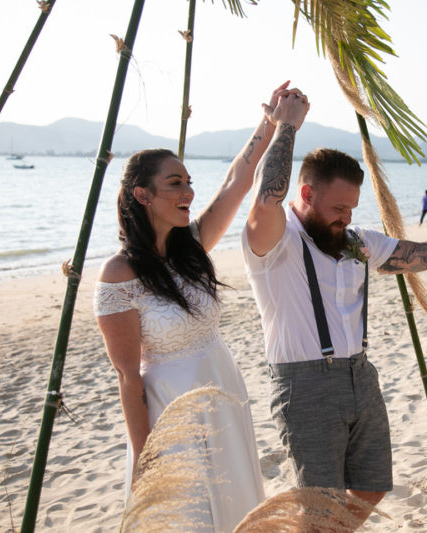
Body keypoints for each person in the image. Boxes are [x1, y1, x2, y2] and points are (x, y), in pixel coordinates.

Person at [241, 106, 427, 528]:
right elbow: (266, 197)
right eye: (339, 207)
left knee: (373, 484)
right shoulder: (274, 240)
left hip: (360, 376)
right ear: (305, 195)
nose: (347, 218)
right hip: (304, 386)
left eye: (352, 208)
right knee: (318, 504)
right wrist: (285, 127)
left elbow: (426, 255)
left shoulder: (358, 241)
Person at [94, 81, 307, 531]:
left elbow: (235, 182)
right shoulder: (118, 275)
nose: (187, 191)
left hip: (222, 387)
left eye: (189, 182)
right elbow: (128, 376)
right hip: (171, 408)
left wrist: (270, 124)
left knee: (235, 506)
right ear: (142, 195)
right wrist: (145, 455)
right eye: (175, 183)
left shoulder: (191, 247)